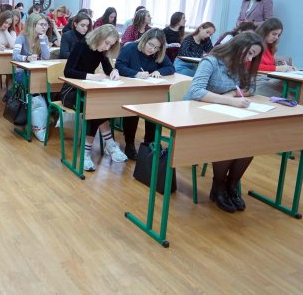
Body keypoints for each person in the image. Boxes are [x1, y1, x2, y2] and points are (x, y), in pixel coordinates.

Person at [184, 32, 265, 212]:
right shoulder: (211, 61)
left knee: (251, 141)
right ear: (239, 46)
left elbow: (251, 88)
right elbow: (196, 91)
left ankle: (231, 185)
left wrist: (232, 94)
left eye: (253, 56)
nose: (250, 58)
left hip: (223, 115)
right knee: (228, 140)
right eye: (249, 53)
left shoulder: (240, 66)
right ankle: (219, 185)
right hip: (196, 117)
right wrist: (229, 100)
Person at [62, 24, 126, 171]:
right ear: (99, 37)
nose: (107, 47)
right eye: (107, 43)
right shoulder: (81, 45)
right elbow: (68, 71)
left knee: (96, 107)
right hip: (70, 92)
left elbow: (108, 69)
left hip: (87, 93)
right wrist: (90, 76)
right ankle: (107, 145)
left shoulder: (101, 51)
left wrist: (114, 71)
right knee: (94, 107)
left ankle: (90, 151)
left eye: (111, 45)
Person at [115, 28, 175, 159]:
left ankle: (149, 144)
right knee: (132, 112)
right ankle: (129, 144)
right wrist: (135, 74)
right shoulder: (130, 48)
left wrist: (160, 71)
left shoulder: (158, 54)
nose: (152, 49)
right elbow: (119, 66)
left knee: (153, 111)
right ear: (144, 40)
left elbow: (170, 67)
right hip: (130, 91)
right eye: (150, 45)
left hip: (149, 91)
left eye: (156, 47)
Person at [12, 13, 52, 140]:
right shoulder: (22, 38)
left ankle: (45, 115)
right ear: (32, 25)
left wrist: (42, 40)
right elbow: (14, 56)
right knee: (37, 86)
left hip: (38, 73)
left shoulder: (43, 38)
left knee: (50, 84)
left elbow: (47, 57)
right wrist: (27, 58)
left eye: (46, 25)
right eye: (41, 24)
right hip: (22, 73)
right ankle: (36, 117)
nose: (44, 27)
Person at [255, 18, 296, 97]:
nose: (276, 37)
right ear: (265, 31)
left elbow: (269, 66)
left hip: (268, 78)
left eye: (278, 35)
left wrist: (285, 67)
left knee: (294, 84)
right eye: (274, 34)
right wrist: (278, 68)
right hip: (258, 81)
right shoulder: (255, 44)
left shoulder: (269, 46)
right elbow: (252, 66)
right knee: (290, 95)